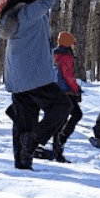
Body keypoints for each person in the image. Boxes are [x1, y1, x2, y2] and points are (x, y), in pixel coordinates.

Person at [0, 0, 74, 170]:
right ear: (31, 2)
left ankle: (22, 162)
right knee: (62, 106)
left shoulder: (11, 16)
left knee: (24, 122)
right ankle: (34, 140)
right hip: (35, 77)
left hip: (16, 79)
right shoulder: (29, 14)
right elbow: (47, 0)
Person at [38, 31, 82, 162]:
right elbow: (68, 75)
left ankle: (57, 151)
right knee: (76, 115)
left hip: (55, 90)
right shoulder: (66, 57)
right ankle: (60, 141)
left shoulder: (53, 54)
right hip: (66, 92)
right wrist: (76, 89)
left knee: (61, 120)